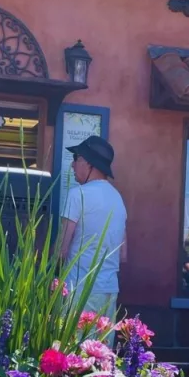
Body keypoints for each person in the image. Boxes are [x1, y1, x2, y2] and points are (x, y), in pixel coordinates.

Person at [59, 136, 127, 326]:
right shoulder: (118, 200)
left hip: (79, 290)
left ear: (88, 163)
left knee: (75, 352)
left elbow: (61, 251)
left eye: (76, 158)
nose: (72, 165)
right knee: (101, 353)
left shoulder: (77, 195)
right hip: (109, 291)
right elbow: (123, 254)